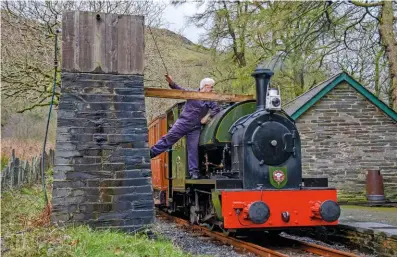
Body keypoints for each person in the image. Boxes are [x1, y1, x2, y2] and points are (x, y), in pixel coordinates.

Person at [150, 75, 221, 179]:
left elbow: (217, 109)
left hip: (195, 128)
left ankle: (194, 173)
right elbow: (179, 90)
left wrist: (207, 116)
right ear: (205, 86)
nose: (212, 89)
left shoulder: (210, 100)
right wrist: (171, 82)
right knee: (169, 138)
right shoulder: (192, 93)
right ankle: (152, 153)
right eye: (211, 87)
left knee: (193, 150)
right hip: (183, 123)